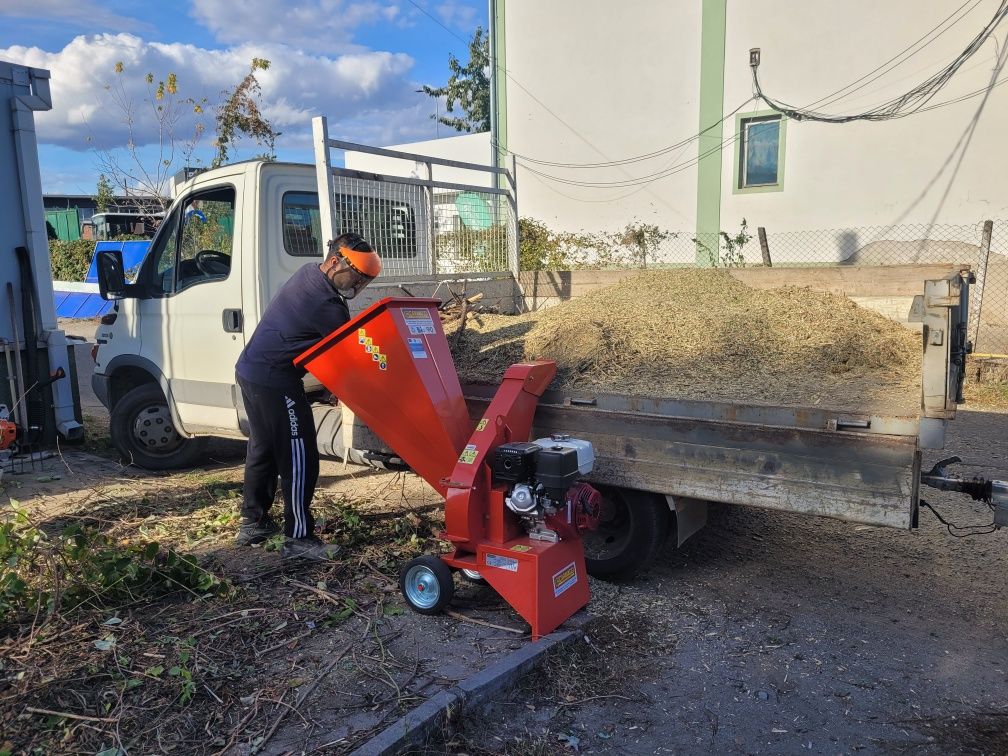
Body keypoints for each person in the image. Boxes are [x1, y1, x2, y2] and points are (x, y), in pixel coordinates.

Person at [234, 232, 382, 559]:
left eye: (365, 281)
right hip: (275, 379)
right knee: (300, 454)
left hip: (249, 370)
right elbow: (349, 361)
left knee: (263, 448)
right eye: (356, 277)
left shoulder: (307, 274)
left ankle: (252, 523)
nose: (357, 286)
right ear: (334, 263)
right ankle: (299, 537)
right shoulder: (328, 305)